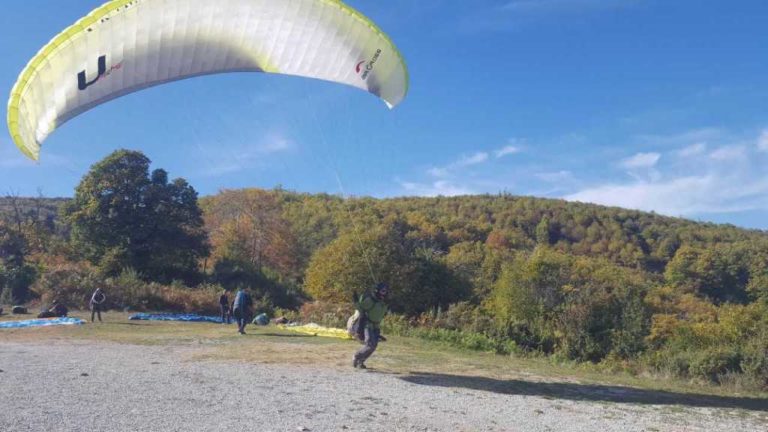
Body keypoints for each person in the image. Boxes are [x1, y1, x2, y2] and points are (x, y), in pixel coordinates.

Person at [352, 282, 389, 369]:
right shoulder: (371, 301)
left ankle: (361, 362)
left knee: (373, 346)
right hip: (367, 325)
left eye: (386, 291)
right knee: (369, 345)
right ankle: (356, 356)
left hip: (376, 327)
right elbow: (361, 308)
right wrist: (356, 300)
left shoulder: (383, 302)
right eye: (383, 291)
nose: (385, 292)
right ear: (378, 291)